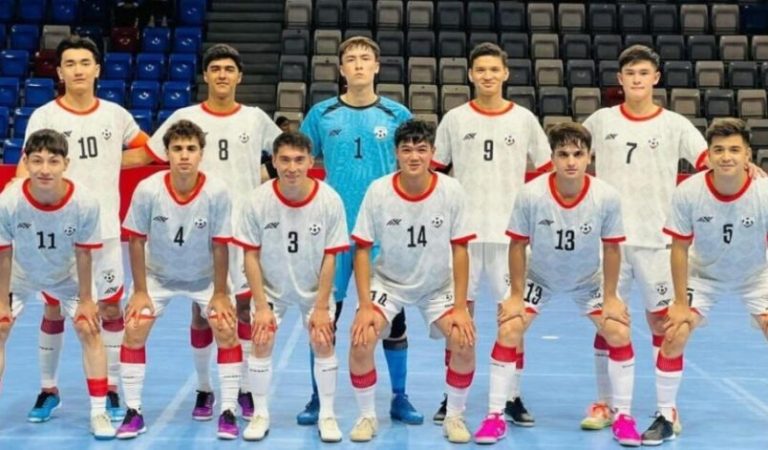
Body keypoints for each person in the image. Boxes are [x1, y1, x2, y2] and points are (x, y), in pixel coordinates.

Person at [472, 122, 640, 446]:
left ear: (589, 157)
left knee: (618, 331)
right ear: (552, 158)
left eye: (578, 154)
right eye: (563, 154)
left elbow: (611, 248)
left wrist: (611, 297)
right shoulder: (531, 194)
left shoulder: (606, 196)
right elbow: (518, 245)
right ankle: (494, 415)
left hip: (587, 279)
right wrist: (516, 295)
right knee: (509, 328)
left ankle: (623, 416)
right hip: (540, 277)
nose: (571, 161)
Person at [145, 43, 281, 421]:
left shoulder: (254, 118)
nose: (222, 75)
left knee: (243, 309)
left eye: (229, 69)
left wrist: (261, 181)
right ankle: (205, 388)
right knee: (203, 311)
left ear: (240, 76)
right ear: (205, 75)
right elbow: (153, 154)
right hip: (197, 231)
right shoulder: (185, 116)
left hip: (244, 231)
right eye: (216, 69)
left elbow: (284, 153)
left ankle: (244, 389)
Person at [19, 35, 151, 423]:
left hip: (105, 231)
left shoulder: (115, 115)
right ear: (59, 73)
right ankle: (48, 389)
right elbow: (29, 164)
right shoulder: (45, 116)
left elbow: (147, 150)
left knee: (109, 308)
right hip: (56, 231)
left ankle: (109, 386)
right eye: (70, 64)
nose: (78, 70)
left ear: (97, 69)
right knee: (54, 307)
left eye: (84, 63)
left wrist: (112, 160)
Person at [580, 45, 709, 432]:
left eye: (643, 73)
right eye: (630, 73)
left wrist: (747, 170)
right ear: (620, 80)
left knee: (662, 323)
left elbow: (708, 163)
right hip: (610, 242)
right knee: (607, 322)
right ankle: (605, 403)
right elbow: (569, 159)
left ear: (656, 78)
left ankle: (666, 408)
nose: (637, 79)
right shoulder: (601, 120)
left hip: (659, 241)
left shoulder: (674, 124)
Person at [299, 36, 419, 425]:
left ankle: (399, 397)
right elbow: (297, 161)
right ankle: (318, 399)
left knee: (392, 319)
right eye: (351, 59)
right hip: (333, 233)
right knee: (324, 316)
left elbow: (414, 168)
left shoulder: (396, 113)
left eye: (366, 58)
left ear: (377, 66)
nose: (359, 64)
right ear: (341, 69)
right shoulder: (322, 113)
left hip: (384, 232)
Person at [431, 42, 551, 426]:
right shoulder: (454, 119)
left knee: (513, 316)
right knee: (458, 316)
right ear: (470, 75)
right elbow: (434, 173)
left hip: (510, 237)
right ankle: (452, 397)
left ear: (505, 73)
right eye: (480, 69)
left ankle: (512, 396)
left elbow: (547, 172)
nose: (487, 75)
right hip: (462, 238)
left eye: (494, 69)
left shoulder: (524, 119)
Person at [347, 120, 477, 443]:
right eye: (406, 150)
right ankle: (366, 416)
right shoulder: (379, 191)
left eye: (421, 149)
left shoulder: (451, 190)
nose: (414, 156)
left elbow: (461, 250)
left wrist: (461, 307)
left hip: (437, 286)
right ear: (396, 153)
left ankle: (454, 416)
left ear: (433, 152)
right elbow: (362, 249)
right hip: (388, 282)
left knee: (464, 340)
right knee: (361, 339)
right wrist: (364, 306)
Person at [643, 118, 768, 445]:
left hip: (756, 274)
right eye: (719, 150)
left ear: (748, 155)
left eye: (734, 150)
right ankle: (665, 415)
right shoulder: (689, 191)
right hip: (704, 274)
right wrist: (679, 303)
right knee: (674, 333)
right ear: (708, 155)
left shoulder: (764, 191)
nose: (726, 157)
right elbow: (679, 248)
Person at [117, 120, 242, 440]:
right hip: (157, 276)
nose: (184, 155)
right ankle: (133, 411)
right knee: (134, 327)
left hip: (204, 277)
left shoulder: (216, 191)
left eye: (191, 149)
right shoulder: (148, 189)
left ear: (201, 153)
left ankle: (227, 409)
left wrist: (220, 293)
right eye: (177, 149)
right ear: (166, 153)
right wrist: (140, 291)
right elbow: (135, 240)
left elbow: (220, 244)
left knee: (226, 327)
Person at [0, 129, 115, 439]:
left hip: (68, 276)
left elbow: (84, 253)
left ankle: (99, 411)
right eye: (37, 161)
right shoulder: (9, 201)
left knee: (89, 328)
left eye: (53, 161)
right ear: (25, 161)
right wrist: (1, 303)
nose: (45, 169)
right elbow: (4, 253)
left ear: (66, 163)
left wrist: (87, 300)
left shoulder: (84, 202)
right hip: (21, 273)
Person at [234, 131, 349, 443]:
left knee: (323, 341)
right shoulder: (257, 200)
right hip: (272, 288)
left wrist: (322, 307)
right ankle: (260, 414)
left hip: (314, 288)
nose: (292, 167)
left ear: (312, 161)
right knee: (261, 340)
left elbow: (331, 257)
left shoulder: (329, 200)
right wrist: (260, 306)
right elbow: (250, 256)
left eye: (299, 160)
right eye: (284, 160)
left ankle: (327, 414)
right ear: (273, 161)